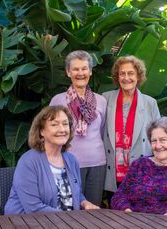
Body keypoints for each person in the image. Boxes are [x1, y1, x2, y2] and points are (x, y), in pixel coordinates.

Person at [5, 106, 99, 214]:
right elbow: (33, 208)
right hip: (28, 222)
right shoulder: (28, 161)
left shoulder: (72, 160)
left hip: (66, 222)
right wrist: (71, 219)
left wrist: (84, 203)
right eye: (54, 124)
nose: (62, 129)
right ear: (41, 131)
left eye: (65, 124)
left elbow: (76, 194)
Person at [49, 50, 107, 206]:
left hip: (97, 163)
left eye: (84, 68)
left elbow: (101, 131)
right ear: (68, 72)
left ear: (90, 71)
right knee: (68, 209)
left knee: (93, 209)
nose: (80, 73)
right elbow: (50, 133)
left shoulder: (101, 101)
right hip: (67, 162)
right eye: (75, 69)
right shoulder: (58, 101)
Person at [102, 56, 160, 200]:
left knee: (138, 217)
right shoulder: (105, 99)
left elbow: (158, 137)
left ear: (138, 76)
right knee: (114, 214)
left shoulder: (150, 103)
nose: (126, 78)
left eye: (131, 73)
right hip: (113, 170)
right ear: (117, 76)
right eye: (122, 73)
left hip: (140, 170)